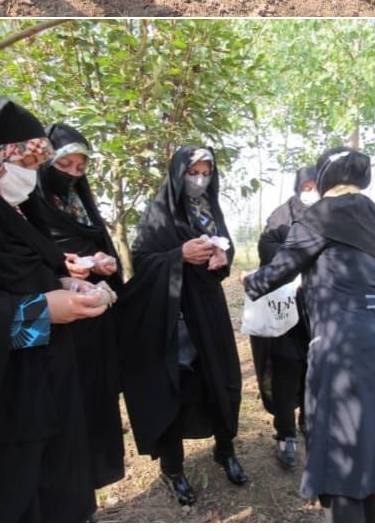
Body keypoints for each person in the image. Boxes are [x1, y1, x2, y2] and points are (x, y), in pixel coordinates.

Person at [243, 147, 375, 523]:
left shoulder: (320, 216)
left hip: (346, 343)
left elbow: (276, 273)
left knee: (344, 451)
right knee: (370, 440)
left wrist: (248, 281)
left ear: (324, 179)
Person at [0, 96, 108, 522]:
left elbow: (28, 272)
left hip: (49, 387)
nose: (32, 177)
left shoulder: (14, 214)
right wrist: (40, 311)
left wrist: (63, 283)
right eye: (26, 164)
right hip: (3, 400)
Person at [116, 146, 247, 506]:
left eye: (207, 172)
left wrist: (223, 257)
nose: (200, 179)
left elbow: (225, 252)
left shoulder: (210, 207)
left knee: (221, 380)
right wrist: (179, 256)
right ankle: (173, 469)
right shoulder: (159, 214)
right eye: (193, 173)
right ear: (178, 174)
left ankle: (225, 449)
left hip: (210, 310)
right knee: (175, 386)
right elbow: (142, 261)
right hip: (174, 315)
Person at [33, 122, 125, 489]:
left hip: (95, 321)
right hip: (57, 325)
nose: (72, 175)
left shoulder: (83, 206)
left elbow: (106, 252)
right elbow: (32, 263)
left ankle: (92, 484)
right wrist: (60, 266)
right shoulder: (32, 208)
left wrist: (106, 264)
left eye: (79, 168)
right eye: (64, 165)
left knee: (96, 404)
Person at [249, 165, 319, 471]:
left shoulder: (330, 215)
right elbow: (267, 248)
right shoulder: (281, 215)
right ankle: (285, 434)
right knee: (286, 371)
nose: (311, 191)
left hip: (318, 311)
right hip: (284, 308)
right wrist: (300, 256)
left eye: (317, 185)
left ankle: (309, 424)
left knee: (314, 370)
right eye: (306, 186)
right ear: (297, 186)